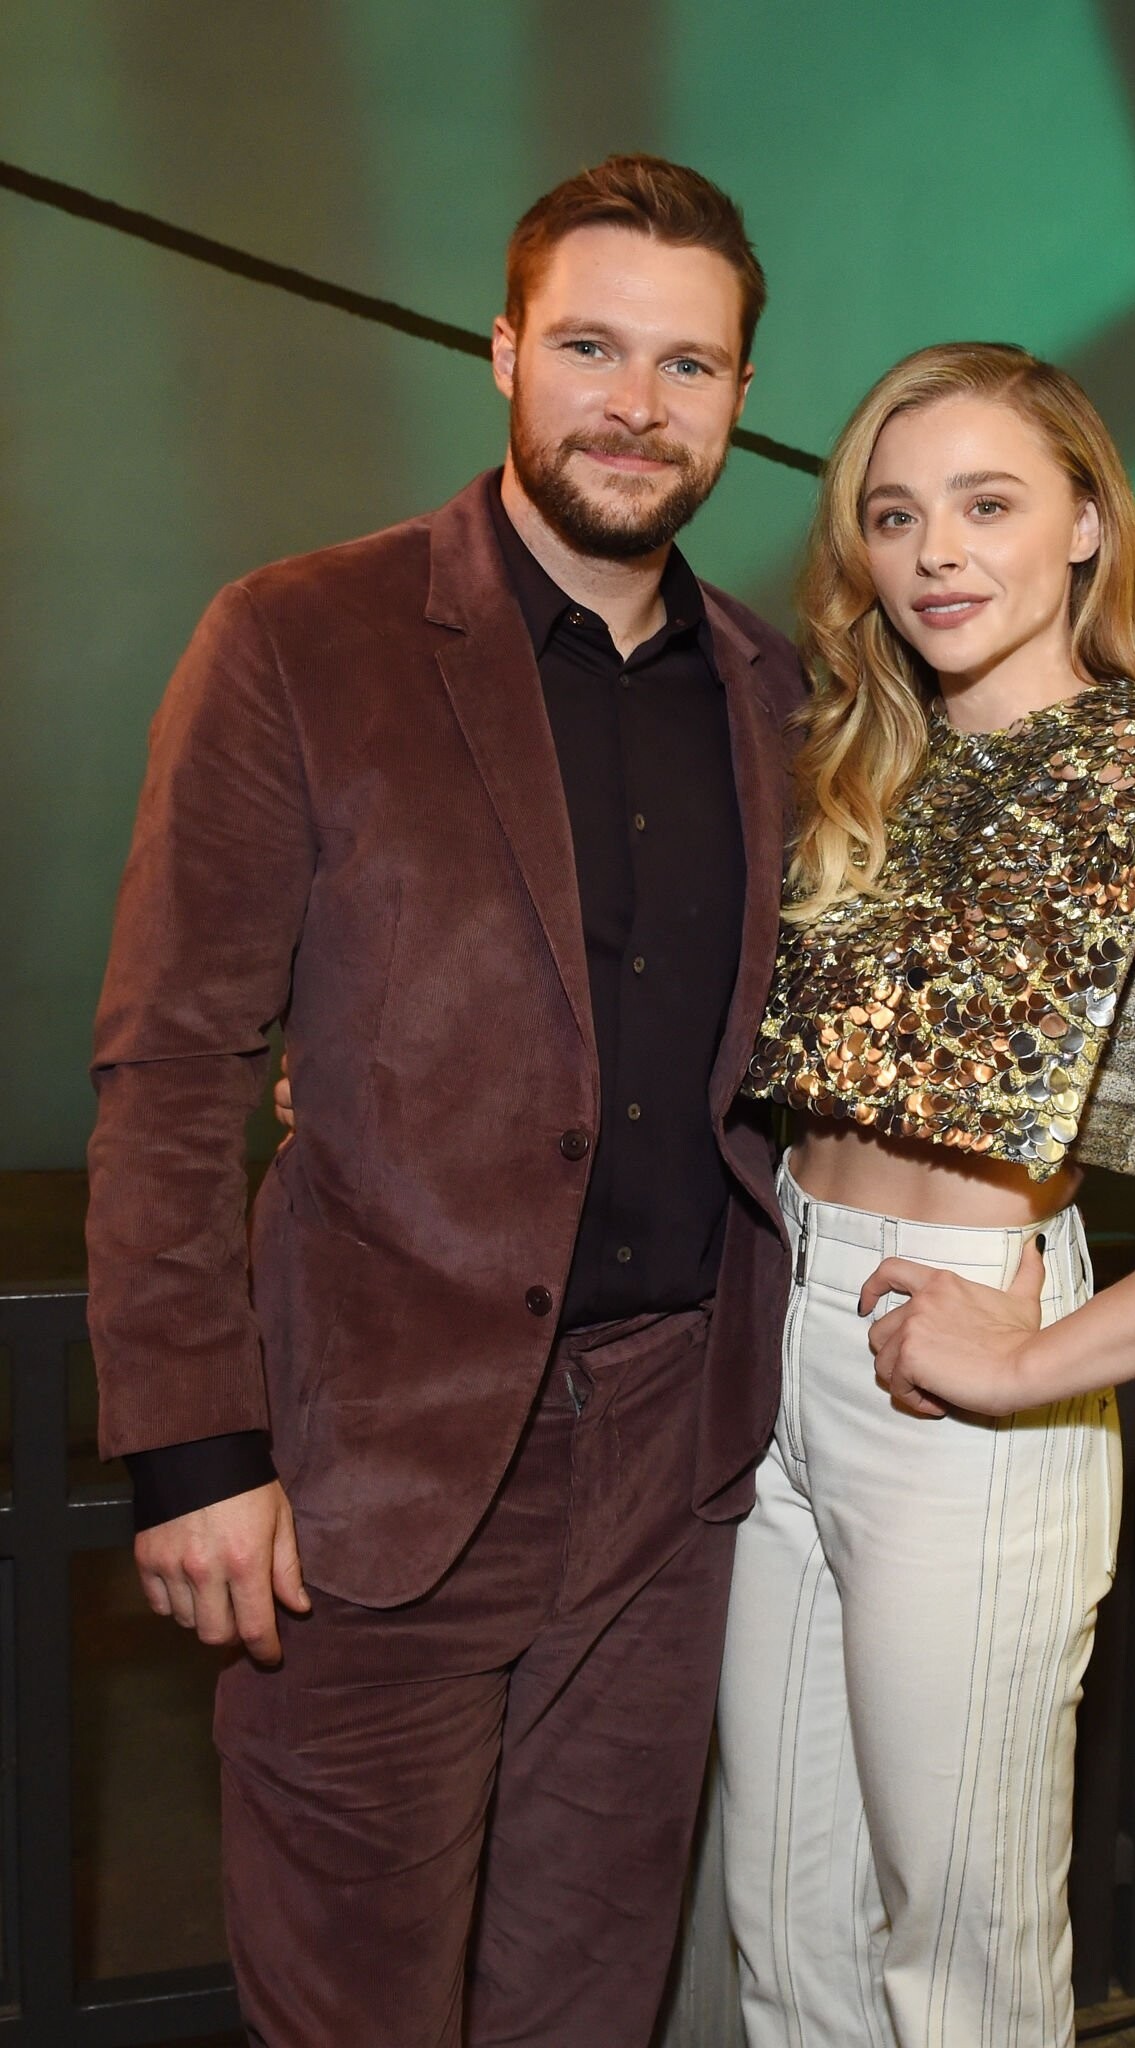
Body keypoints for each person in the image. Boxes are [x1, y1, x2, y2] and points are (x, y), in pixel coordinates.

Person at [85, 155, 805, 2048]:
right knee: (353, 2010)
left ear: (742, 397)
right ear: (501, 351)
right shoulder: (298, 637)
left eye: (688, 364)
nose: (636, 404)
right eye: (590, 347)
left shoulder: (780, 693)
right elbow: (174, 1063)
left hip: (674, 1470)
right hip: (368, 1474)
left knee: (588, 2000)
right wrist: (192, 1447)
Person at [722, 342, 1135, 2047]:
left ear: (1087, 523)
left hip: (962, 1383)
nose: (936, 552)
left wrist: (1038, 1362)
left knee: (955, 1963)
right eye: (894, 516)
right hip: (776, 1343)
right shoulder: (860, 767)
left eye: (988, 503)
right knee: (783, 1935)